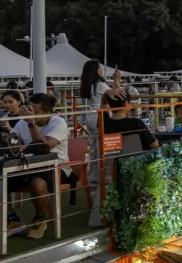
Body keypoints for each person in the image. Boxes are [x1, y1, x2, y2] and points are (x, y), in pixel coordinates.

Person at [3, 94, 70, 239]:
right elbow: (12, 142)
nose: (30, 113)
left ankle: (39, 219)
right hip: (29, 167)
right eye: (29, 108)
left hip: (57, 168)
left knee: (38, 184)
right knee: (1, 179)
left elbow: (45, 146)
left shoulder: (59, 123)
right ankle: (12, 219)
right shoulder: (23, 122)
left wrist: (31, 123)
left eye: (35, 111)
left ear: (48, 112)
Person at [79, 61, 126, 227]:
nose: (101, 69)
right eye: (99, 67)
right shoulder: (100, 84)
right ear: (96, 70)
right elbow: (114, 94)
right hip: (99, 117)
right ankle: (98, 183)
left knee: (93, 151)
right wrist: (117, 80)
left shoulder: (89, 84)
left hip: (89, 118)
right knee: (101, 152)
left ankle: (92, 184)